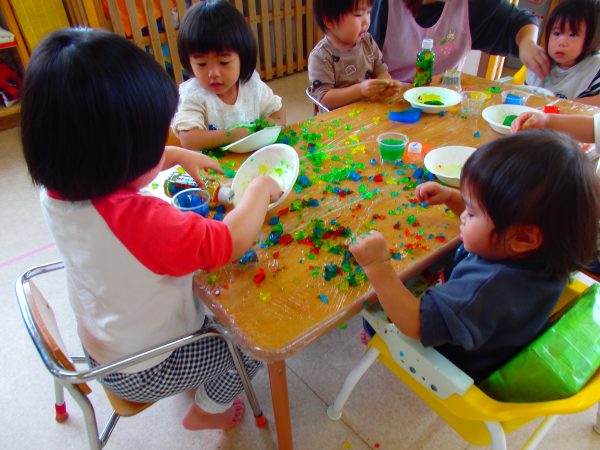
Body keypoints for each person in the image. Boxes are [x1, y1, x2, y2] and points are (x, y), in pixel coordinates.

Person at [21, 28, 283, 431]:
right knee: (255, 344)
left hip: (103, 343)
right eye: (151, 142)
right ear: (118, 157)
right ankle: (207, 410)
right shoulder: (140, 221)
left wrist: (175, 154)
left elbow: (107, 154)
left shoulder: (57, 188)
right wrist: (260, 190)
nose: (159, 147)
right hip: (148, 368)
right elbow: (229, 241)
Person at [350, 130, 599, 382]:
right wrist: (452, 197)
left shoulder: (486, 289)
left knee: (374, 311)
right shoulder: (551, 250)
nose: (463, 216)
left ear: (523, 238)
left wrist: (376, 265)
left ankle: (374, 335)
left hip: (454, 361)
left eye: (471, 211)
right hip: (493, 336)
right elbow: (497, 222)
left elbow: (415, 323)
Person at [171, 1, 285, 150]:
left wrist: (272, 124)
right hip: (213, 163)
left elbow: (277, 112)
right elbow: (188, 138)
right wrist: (233, 135)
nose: (213, 74)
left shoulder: (251, 84)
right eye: (201, 64)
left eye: (224, 62)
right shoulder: (194, 95)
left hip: (254, 157)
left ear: (242, 57)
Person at [368, 0, 550, 83]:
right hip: (385, 98)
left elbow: (520, 22)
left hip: (440, 101)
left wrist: (528, 44)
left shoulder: (473, 5)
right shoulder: (381, 5)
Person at [308, 0, 401, 110]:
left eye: (368, 12)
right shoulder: (321, 56)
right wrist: (360, 90)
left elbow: (381, 72)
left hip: (370, 109)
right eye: (358, 14)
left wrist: (386, 85)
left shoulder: (368, 41)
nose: (366, 21)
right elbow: (324, 98)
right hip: (341, 117)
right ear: (329, 21)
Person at [525, 0, 600, 106]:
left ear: (592, 39)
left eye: (573, 34)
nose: (562, 42)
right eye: (557, 33)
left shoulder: (595, 67)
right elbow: (525, 96)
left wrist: (565, 104)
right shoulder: (540, 61)